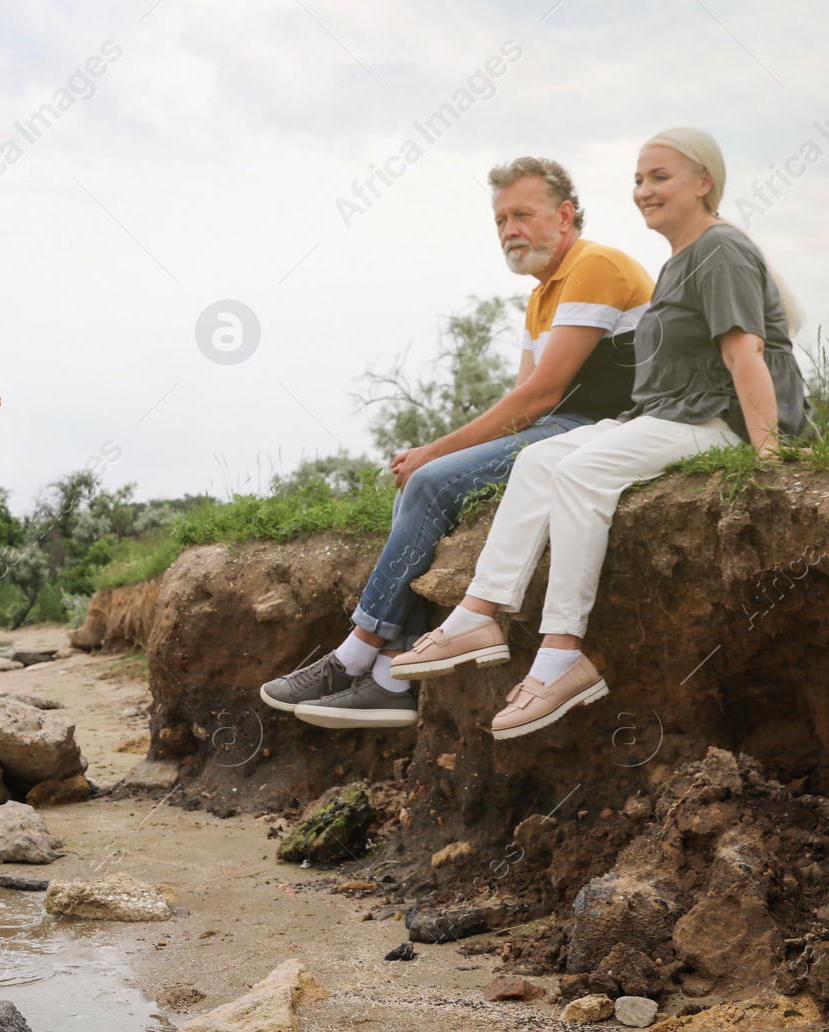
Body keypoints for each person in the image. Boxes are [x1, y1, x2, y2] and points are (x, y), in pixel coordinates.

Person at [389, 127, 810, 740]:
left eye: (659, 177)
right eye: (638, 180)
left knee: (580, 471)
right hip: (674, 416)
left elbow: (746, 354)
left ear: (704, 183)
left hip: (720, 423)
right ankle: (478, 615)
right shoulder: (679, 261)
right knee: (538, 461)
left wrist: (770, 453)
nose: (643, 190)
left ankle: (563, 657)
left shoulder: (720, 250)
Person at [260, 157, 654, 729]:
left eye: (523, 214)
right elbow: (525, 399)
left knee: (429, 479)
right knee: (419, 493)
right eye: (500, 220)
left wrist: (437, 451)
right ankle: (394, 673)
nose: (509, 231)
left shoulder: (596, 265)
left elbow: (541, 396)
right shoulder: (543, 294)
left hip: (599, 431)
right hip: (557, 429)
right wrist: (441, 453)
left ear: (565, 216)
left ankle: (357, 653)